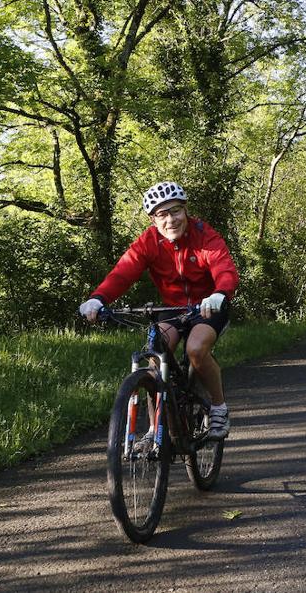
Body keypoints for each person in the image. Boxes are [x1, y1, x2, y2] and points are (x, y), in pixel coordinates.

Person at [79, 181, 238, 439]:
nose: (170, 220)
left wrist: (220, 293)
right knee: (155, 359)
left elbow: (224, 268)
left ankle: (219, 408)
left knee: (196, 349)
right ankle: (155, 429)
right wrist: (98, 299)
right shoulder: (148, 242)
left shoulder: (204, 235)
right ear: (153, 219)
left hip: (209, 306)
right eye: (162, 214)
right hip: (172, 309)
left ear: (185, 210)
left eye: (175, 211)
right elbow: (123, 273)